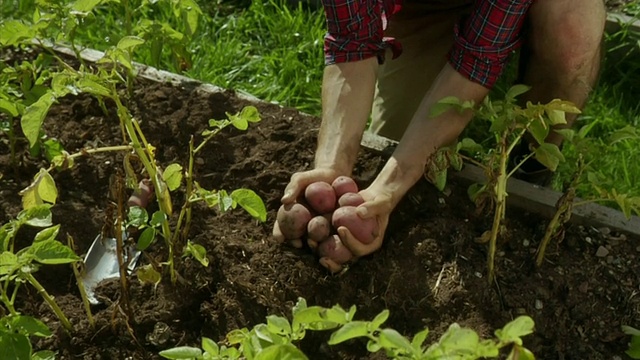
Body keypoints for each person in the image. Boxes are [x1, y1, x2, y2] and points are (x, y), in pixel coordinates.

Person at [273, 0, 606, 272]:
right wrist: (336, 168)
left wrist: (396, 179)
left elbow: (477, 59)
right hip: (421, 9)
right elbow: (352, 42)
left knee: (572, 29)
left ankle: (532, 170)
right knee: (397, 140)